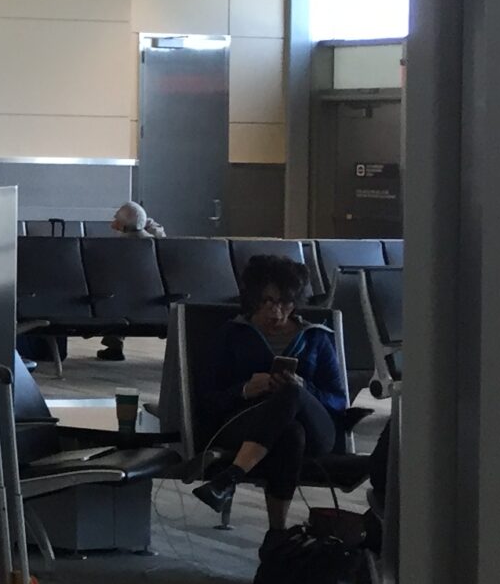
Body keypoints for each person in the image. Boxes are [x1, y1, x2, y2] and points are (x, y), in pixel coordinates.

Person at [192, 251, 349, 541]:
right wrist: (244, 390)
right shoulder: (232, 335)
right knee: (290, 434)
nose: (275, 311)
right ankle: (276, 536)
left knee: (292, 390)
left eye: (284, 302)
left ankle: (231, 477)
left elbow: (338, 400)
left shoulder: (316, 337)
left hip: (318, 430)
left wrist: (305, 389)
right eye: (267, 301)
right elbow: (207, 398)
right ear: (253, 299)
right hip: (246, 422)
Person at [96, 200, 167, 359]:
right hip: (153, 300)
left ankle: (114, 345)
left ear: (120, 226)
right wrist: (141, 221)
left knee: (114, 297)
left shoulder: (114, 248)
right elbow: (157, 233)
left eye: (116, 218)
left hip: (122, 303)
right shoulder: (156, 244)